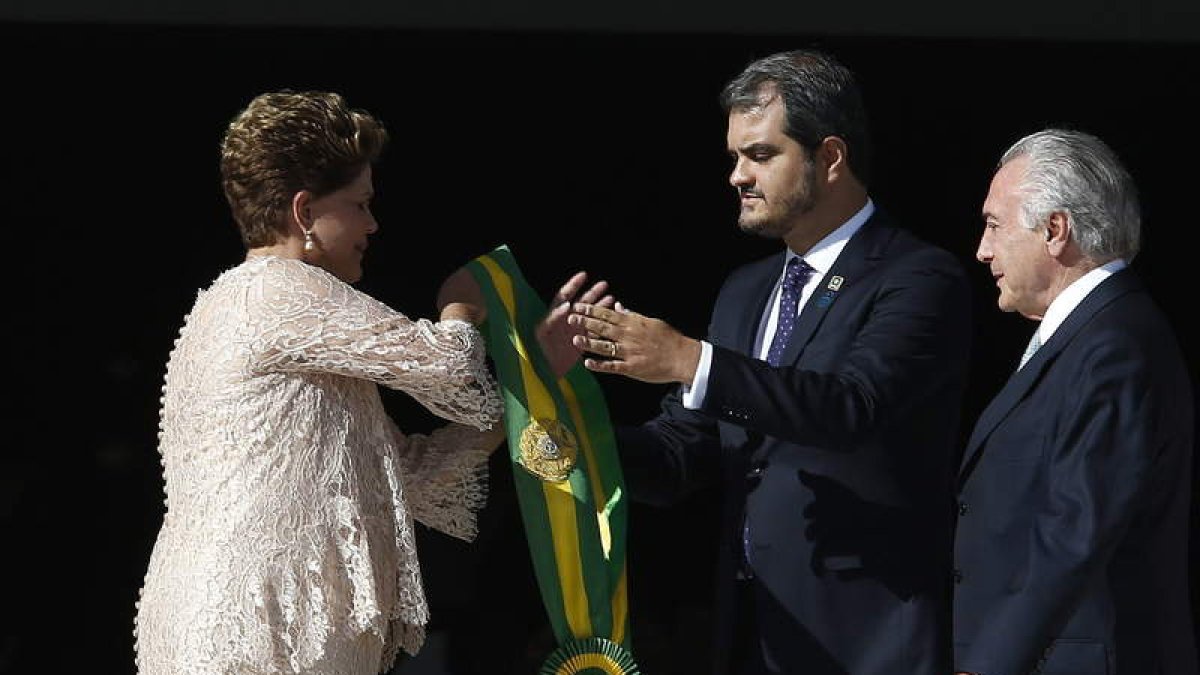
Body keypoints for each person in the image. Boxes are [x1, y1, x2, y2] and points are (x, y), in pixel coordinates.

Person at [553, 49, 973, 674]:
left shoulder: (918, 278)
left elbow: (851, 408)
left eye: (761, 154)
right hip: (756, 633)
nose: (737, 177)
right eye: (734, 158)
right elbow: (679, 458)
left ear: (830, 158)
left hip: (870, 640)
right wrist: (553, 424)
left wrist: (691, 360)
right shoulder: (746, 291)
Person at [132, 90, 508, 675]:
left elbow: (405, 473)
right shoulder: (278, 291)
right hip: (255, 636)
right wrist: (460, 306)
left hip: (252, 629)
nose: (373, 223)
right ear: (304, 212)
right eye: (360, 204)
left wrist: (525, 401)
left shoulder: (271, 308)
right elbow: (450, 367)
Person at [952, 129, 1197, 675]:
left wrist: (988, 664)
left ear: (1055, 230)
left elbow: (1074, 531)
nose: (982, 249)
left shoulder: (1115, 345)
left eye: (994, 224)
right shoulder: (1086, 337)